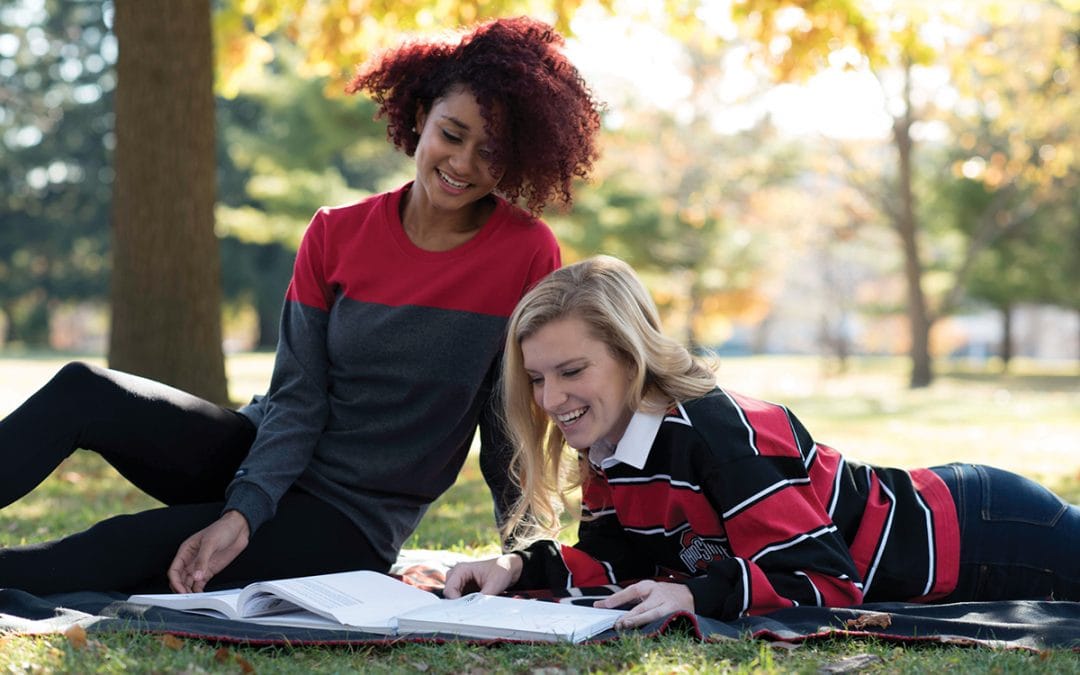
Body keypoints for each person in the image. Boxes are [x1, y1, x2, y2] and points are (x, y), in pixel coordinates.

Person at [0, 16, 603, 596]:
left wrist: (524, 552)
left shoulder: (525, 252)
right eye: (452, 133)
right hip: (263, 454)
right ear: (420, 117)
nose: (464, 163)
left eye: (492, 151)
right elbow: (298, 395)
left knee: (110, 549)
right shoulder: (335, 233)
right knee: (85, 388)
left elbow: (510, 422)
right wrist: (244, 511)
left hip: (346, 520)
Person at [443, 255, 1080, 629]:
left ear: (630, 356)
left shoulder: (720, 433)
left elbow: (825, 581)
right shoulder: (609, 445)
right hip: (967, 528)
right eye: (536, 379)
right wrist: (516, 567)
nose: (551, 401)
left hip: (986, 532)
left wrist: (695, 593)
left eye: (572, 372)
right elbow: (620, 560)